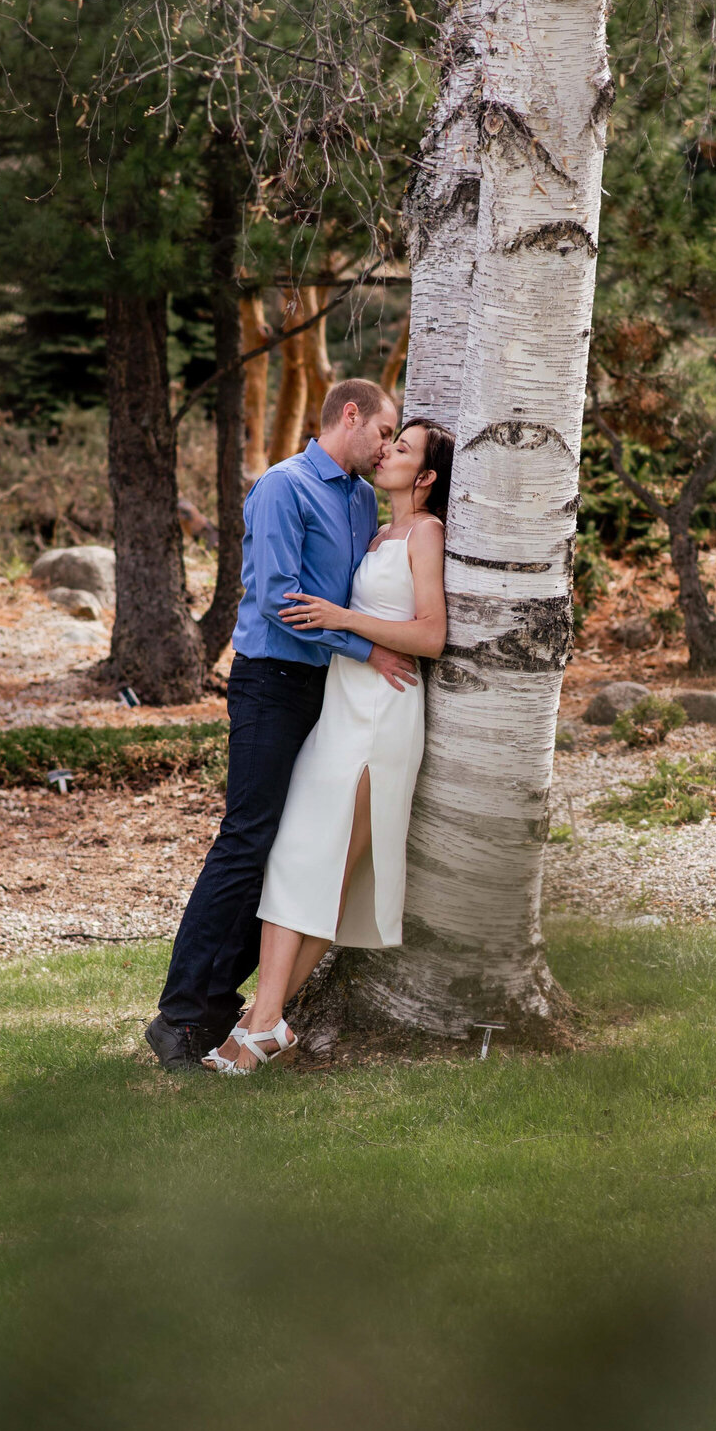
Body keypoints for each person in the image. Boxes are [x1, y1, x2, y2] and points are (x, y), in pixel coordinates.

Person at [143, 378, 410, 1073]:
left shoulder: (357, 496)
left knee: (287, 847)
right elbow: (278, 597)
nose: (386, 448)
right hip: (270, 684)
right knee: (247, 838)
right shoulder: (283, 486)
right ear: (348, 415)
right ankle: (180, 1014)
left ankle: (221, 1004)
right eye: (384, 432)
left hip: (326, 691)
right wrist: (368, 648)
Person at [202, 418, 455, 1074]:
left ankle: (261, 1025)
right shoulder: (375, 529)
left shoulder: (426, 533)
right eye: (388, 440)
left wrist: (343, 618)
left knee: (325, 868)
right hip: (340, 708)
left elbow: (429, 636)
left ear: (425, 478)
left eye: (401, 449)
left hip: (380, 714)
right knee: (300, 863)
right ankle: (267, 1019)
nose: (386, 452)